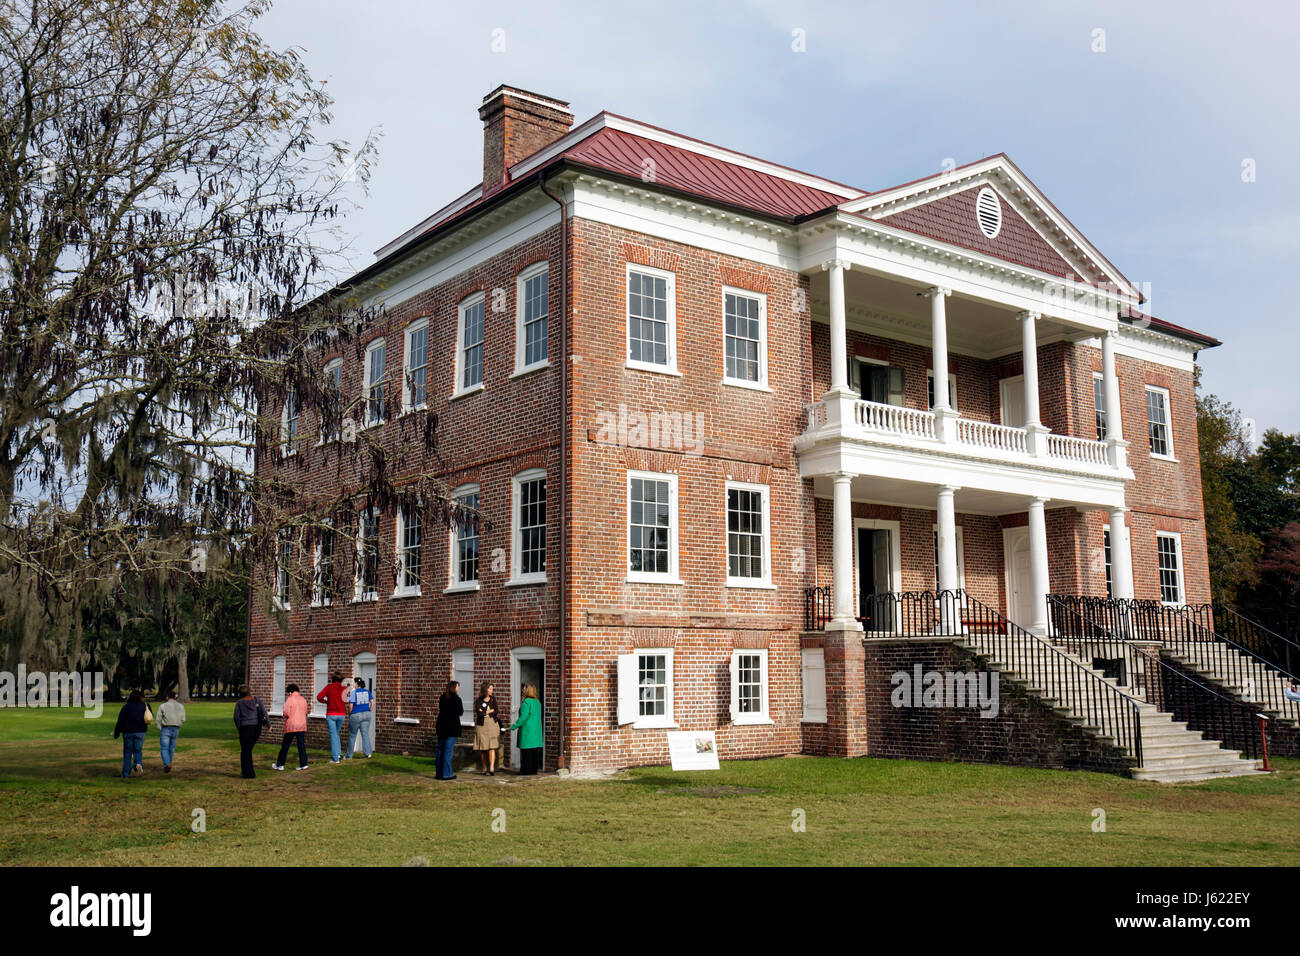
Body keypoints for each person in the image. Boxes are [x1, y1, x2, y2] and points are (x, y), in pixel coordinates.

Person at [233, 684, 269, 779]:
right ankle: (247, 771)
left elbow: (236, 717)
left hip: (246, 728)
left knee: (245, 751)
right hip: (256, 728)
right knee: (248, 750)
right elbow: (263, 712)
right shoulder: (256, 699)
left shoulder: (240, 703)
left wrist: (239, 727)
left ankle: (248, 773)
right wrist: (268, 724)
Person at [112, 691, 150, 779]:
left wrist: (117, 732)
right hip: (140, 731)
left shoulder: (126, 707)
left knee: (127, 753)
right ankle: (138, 764)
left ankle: (125, 774)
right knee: (138, 750)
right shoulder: (144, 706)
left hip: (128, 732)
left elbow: (120, 721)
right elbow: (149, 716)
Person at [272, 683, 310, 771]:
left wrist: (285, 716)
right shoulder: (303, 699)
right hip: (301, 725)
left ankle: (280, 764)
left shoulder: (290, 699)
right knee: (301, 745)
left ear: (289, 692)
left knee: (286, 745)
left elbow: (286, 712)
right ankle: (304, 764)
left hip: (292, 725)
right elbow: (305, 711)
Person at [509, 683, 543, 775]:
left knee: (526, 753)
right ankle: (533, 770)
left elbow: (523, 718)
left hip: (527, 731)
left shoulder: (526, 702)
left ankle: (525, 771)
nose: (522, 691)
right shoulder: (537, 702)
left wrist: (514, 726)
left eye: (523, 689)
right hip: (536, 731)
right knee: (534, 753)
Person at [435, 680, 463, 780]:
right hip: (452, 727)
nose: (458, 689)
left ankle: (439, 773)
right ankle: (447, 774)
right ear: (455, 688)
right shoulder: (456, 699)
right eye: (457, 687)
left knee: (440, 750)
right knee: (447, 751)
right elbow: (460, 712)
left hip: (441, 726)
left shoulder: (443, 698)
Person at [317, 672, 347, 763]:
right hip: (341, 714)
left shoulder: (329, 687)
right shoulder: (344, 688)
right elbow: (347, 700)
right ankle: (338, 753)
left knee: (333, 735)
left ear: (332, 679)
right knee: (336, 734)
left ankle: (335, 758)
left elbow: (319, 697)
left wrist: (326, 702)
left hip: (331, 714)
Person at [473, 682, 502, 775]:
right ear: (485, 689)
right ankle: (485, 768)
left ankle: (492, 768)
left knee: (492, 747)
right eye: (490, 689)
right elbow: (479, 713)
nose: (491, 691)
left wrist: (487, 711)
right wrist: (489, 711)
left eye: (492, 689)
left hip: (492, 725)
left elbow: (496, 711)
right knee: (483, 749)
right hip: (482, 726)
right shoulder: (478, 701)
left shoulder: (493, 699)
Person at [156, 690, 186, 773]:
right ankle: (169, 762)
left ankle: (167, 763)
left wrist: (159, 727)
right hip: (176, 728)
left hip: (166, 728)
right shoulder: (181, 706)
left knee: (164, 747)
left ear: (167, 697)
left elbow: (158, 718)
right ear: (175, 697)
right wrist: (179, 724)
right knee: (171, 747)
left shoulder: (163, 706)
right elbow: (183, 719)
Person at [344, 677, 374, 759]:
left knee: (352, 735)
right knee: (365, 734)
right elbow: (372, 702)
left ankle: (349, 756)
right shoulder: (367, 691)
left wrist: (350, 714)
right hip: (367, 714)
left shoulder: (354, 692)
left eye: (354, 683)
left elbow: (351, 706)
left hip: (356, 715)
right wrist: (370, 709)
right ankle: (368, 753)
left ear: (357, 684)